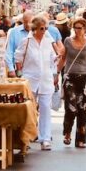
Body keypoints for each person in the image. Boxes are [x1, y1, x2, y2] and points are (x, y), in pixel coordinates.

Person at [15, 16, 61, 150]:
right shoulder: (26, 41)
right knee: (29, 109)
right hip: (30, 79)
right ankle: (26, 137)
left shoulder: (48, 41)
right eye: (42, 28)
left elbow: (52, 57)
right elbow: (18, 57)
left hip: (46, 80)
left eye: (46, 28)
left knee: (46, 108)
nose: (45, 31)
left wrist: (56, 60)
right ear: (34, 29)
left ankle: (45, 138)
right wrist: (19, 73)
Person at [58, 18, 86, 147]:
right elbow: (63, 59)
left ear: (85, 29)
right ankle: (67, 133)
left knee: (82, 109)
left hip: (83, 78)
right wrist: (56, 73)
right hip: (70, 77)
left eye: (79, 28)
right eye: (75, 27)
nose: (77, 30)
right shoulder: (68, 41)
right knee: (70, 107)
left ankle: (81, 139)